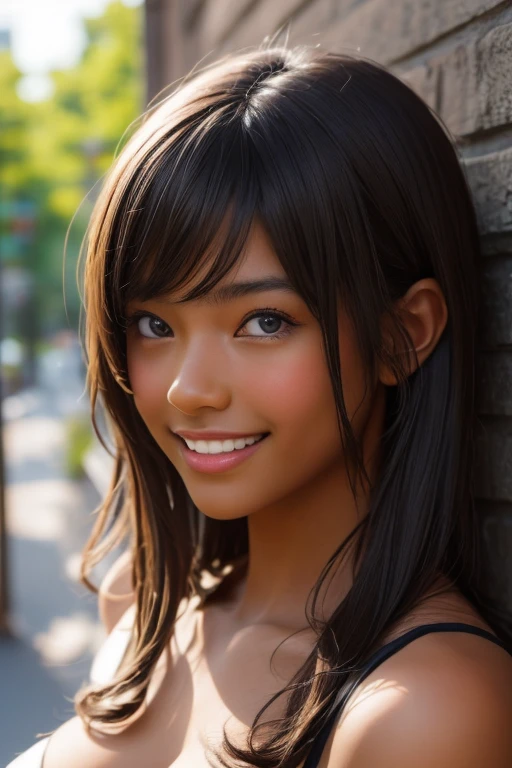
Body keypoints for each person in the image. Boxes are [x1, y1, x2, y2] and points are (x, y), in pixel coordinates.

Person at [8, 44, 512, 768]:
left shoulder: (423, 713)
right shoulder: (143, 602)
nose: (188, 388)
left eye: (264, 322)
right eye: (154, 324)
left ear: (404, 334)